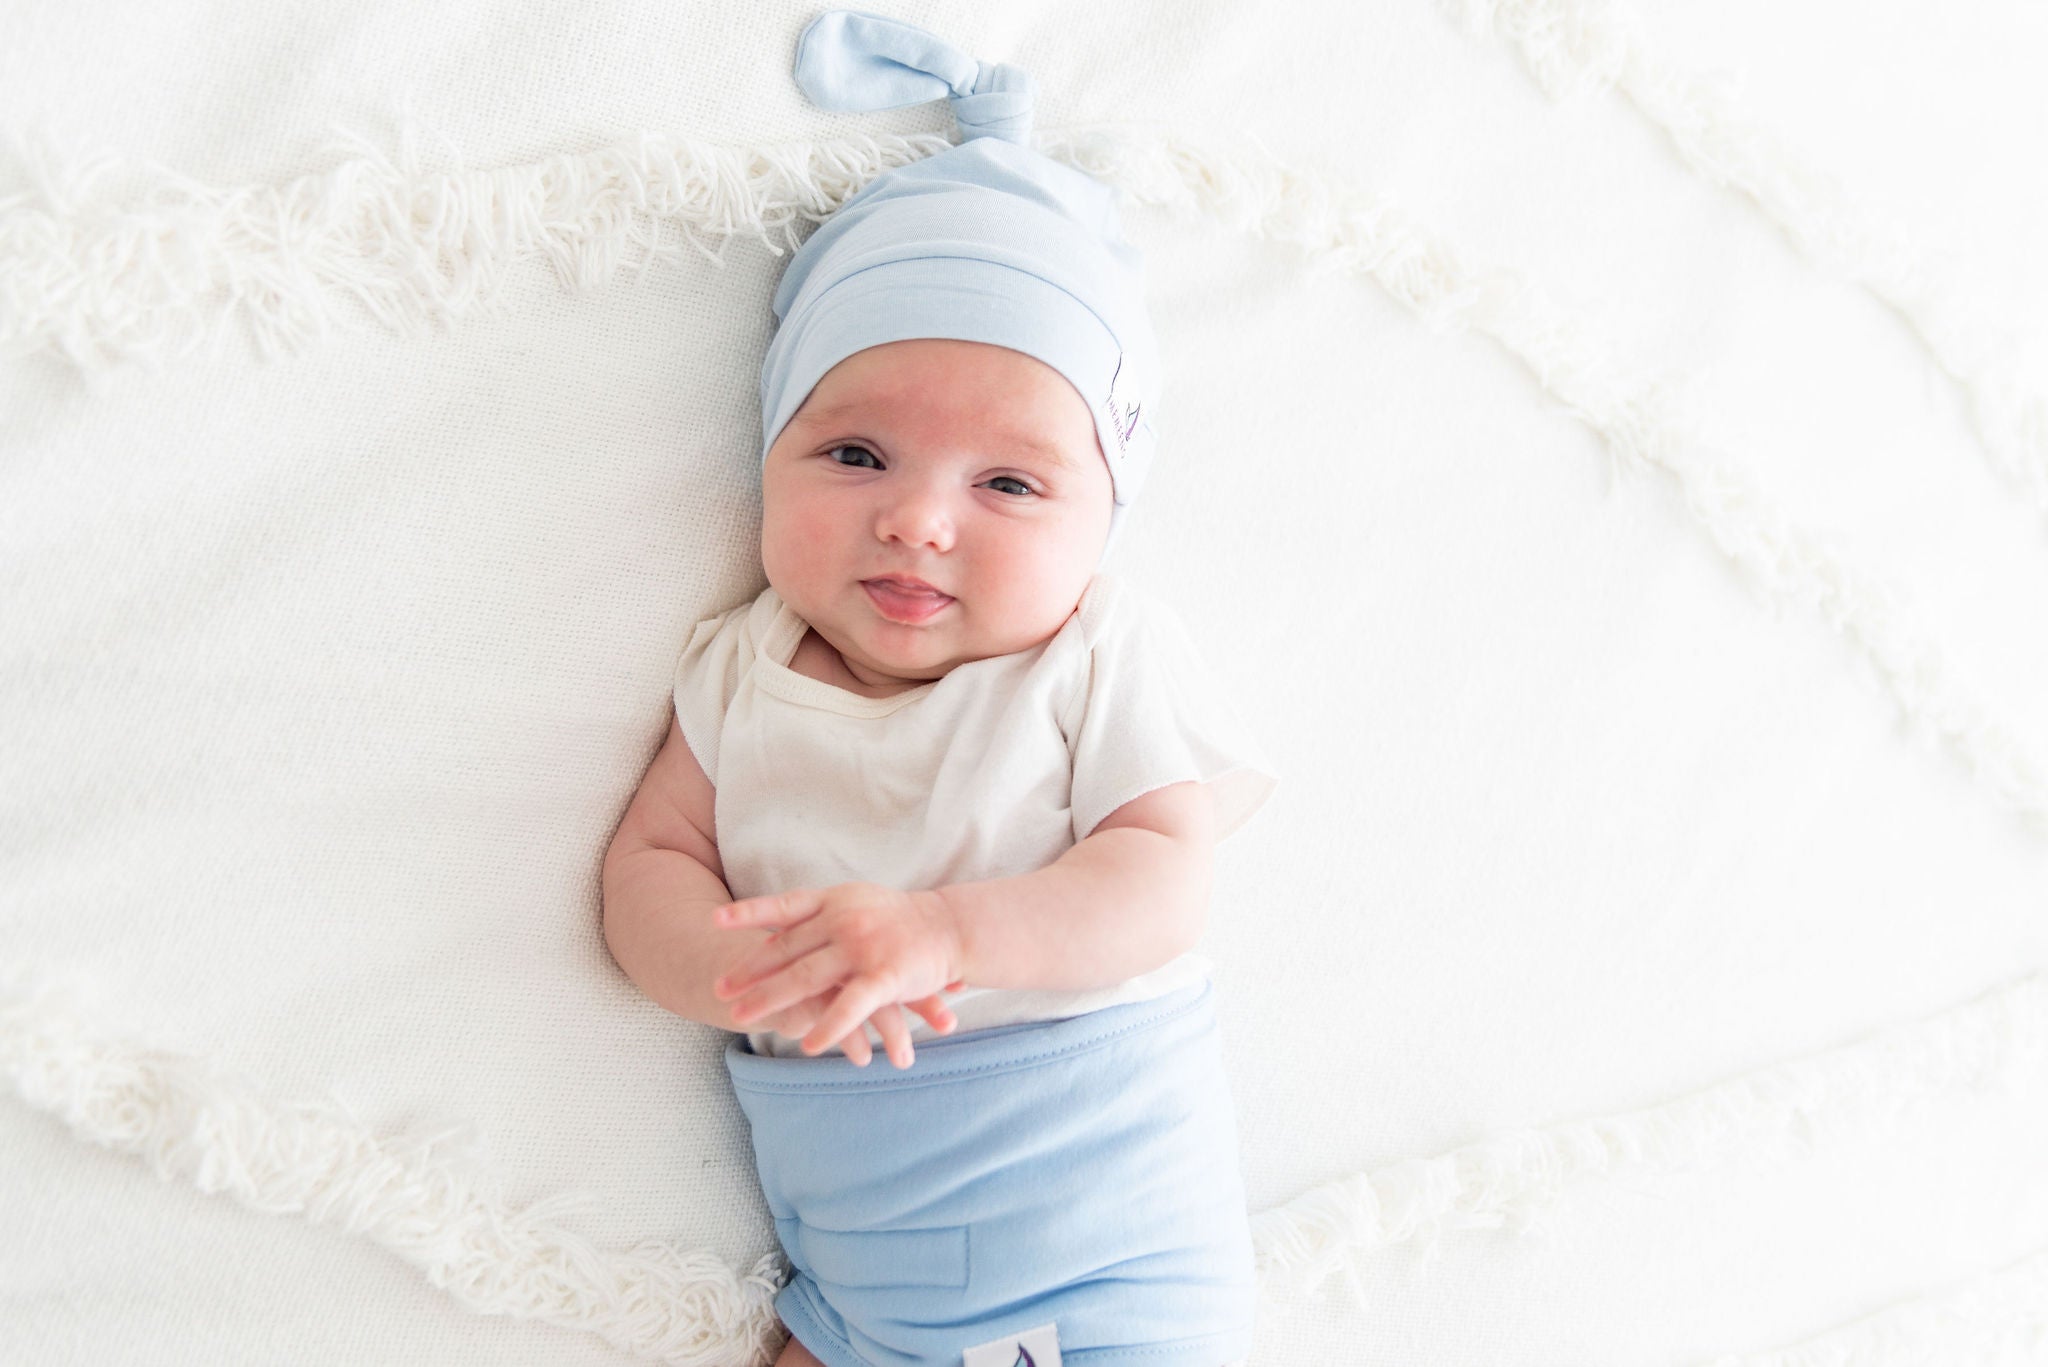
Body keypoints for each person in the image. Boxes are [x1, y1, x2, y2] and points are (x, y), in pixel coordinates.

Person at [601, 13, 1274, 1366]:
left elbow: (1162, 875)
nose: (918, 522)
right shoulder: (740, 668)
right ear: (769, 453)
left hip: (1113, 1225)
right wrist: (729, 966)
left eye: (1009, 484)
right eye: (855, 455)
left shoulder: (1093, 650)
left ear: (1104, 520)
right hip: (865, 1252)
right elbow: (650, 863)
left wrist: (948, 938)